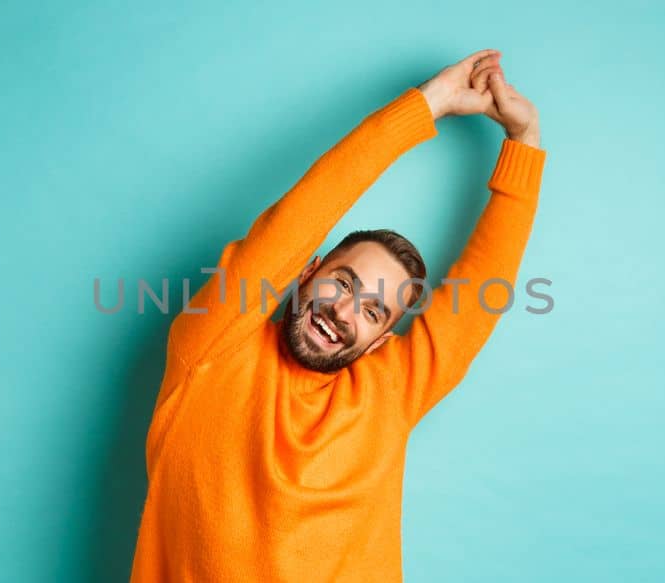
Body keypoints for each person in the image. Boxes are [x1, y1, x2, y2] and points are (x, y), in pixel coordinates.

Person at [129, 49, 546, 582]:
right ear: (307, 273)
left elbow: (482, 286)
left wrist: (525, 140)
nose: (345, 312)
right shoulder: (212, 346)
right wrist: (430, 103)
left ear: (380, 341)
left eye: (373, 311)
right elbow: (303, 212)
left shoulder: (388, 393)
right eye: (343, 284)